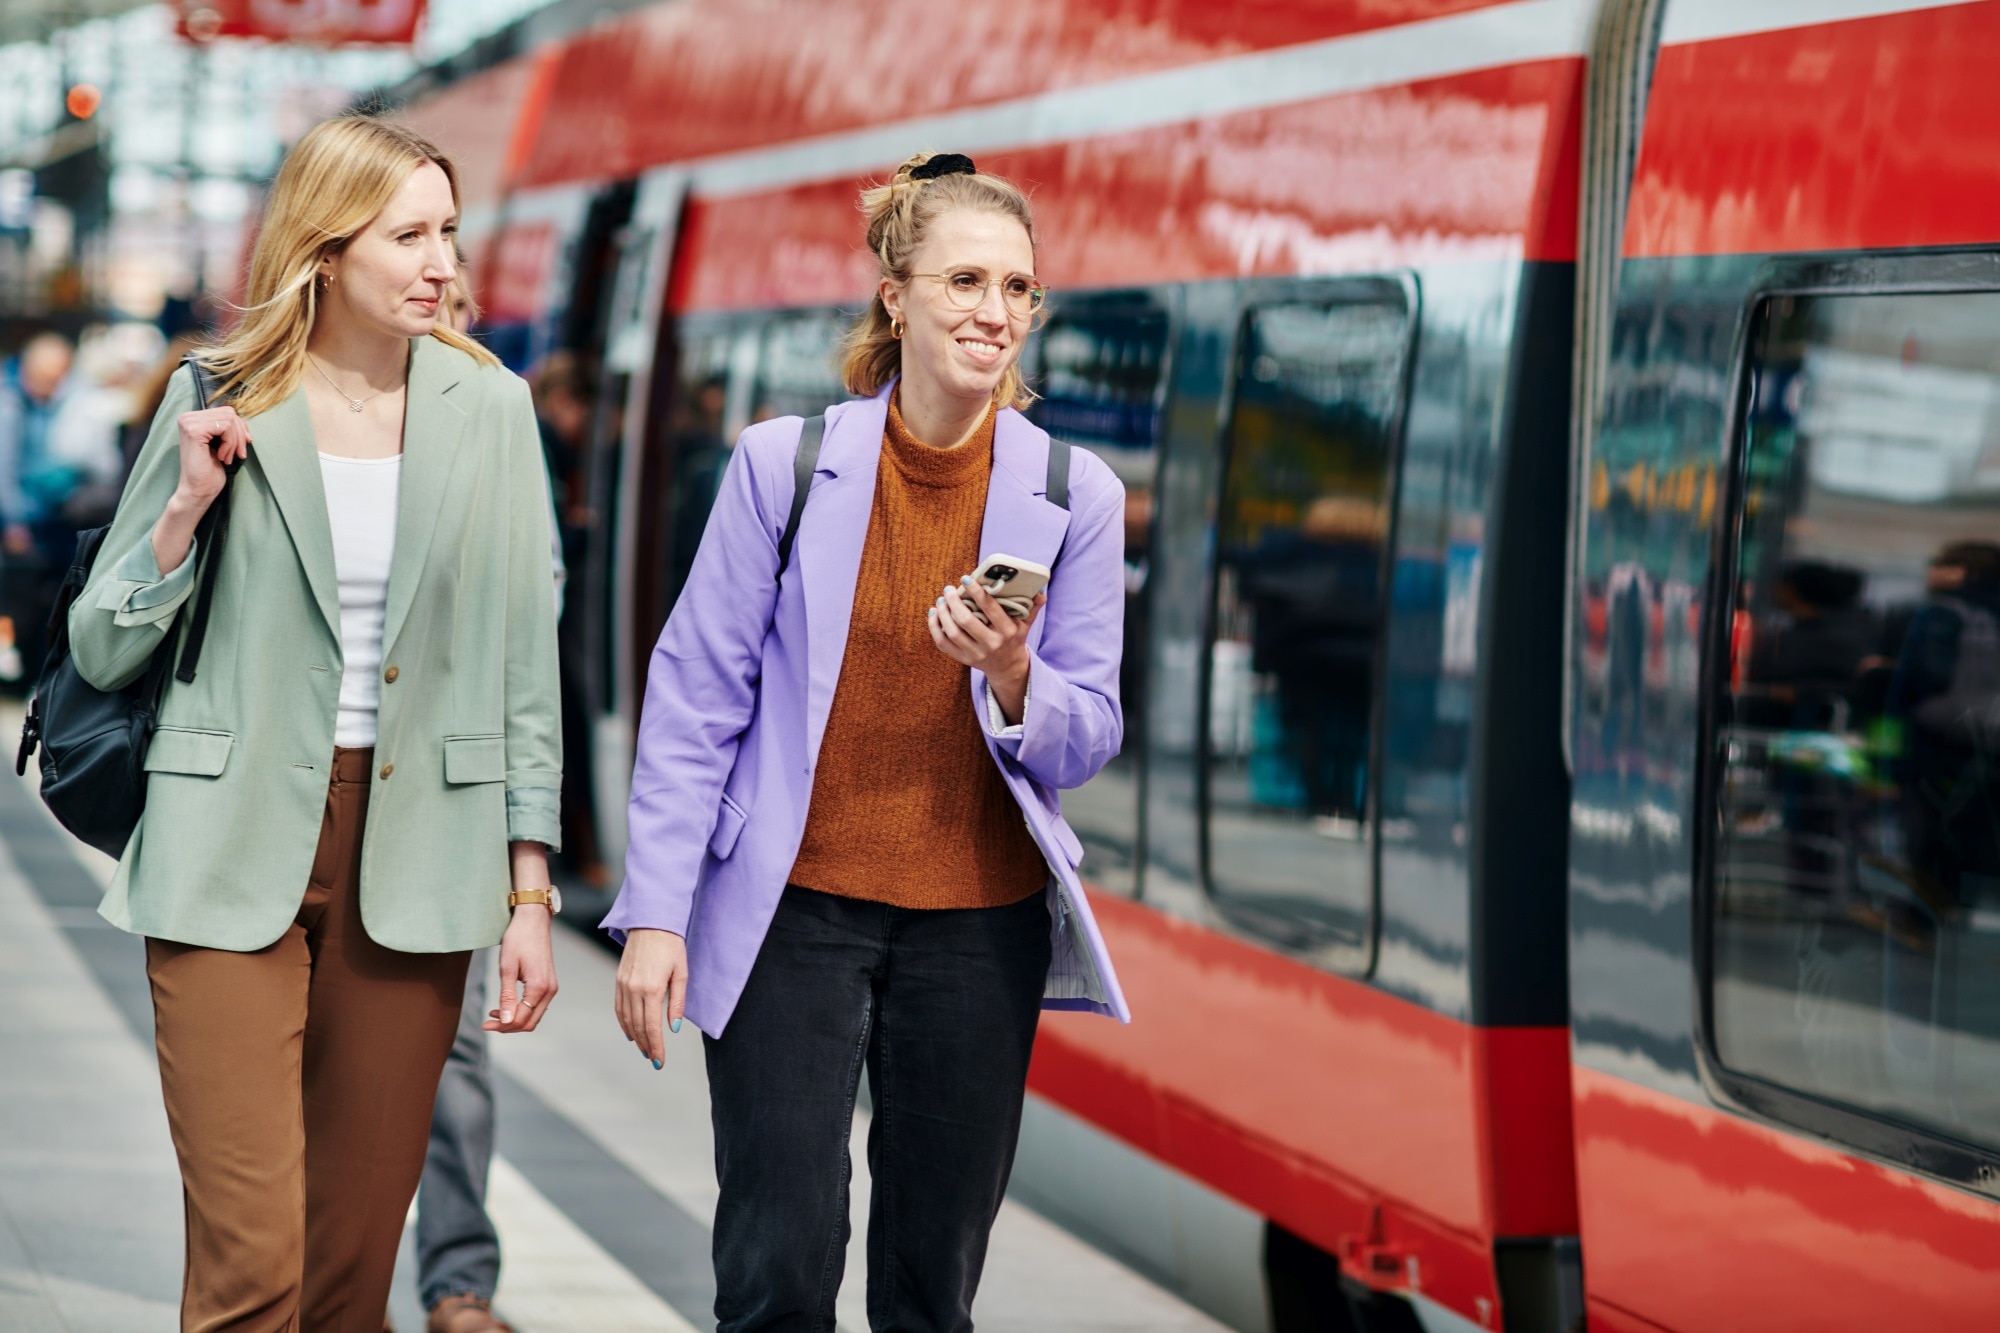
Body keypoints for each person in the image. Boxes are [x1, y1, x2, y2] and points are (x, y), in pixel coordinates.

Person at [605, 150, 1131, 1333]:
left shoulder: (1072, 492)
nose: (993, 313)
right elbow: (695, 697)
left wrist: (1008, 673)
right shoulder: (780, 466)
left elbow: (1088, 731)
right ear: (895, 295)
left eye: (1016, 289)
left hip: (976, 926)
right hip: (791, 908)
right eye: (962, 281)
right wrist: (654, 915)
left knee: (927, 1287)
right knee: (778, 1267)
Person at [68, 112, 563, 1332]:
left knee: (348, 1280)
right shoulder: (215, 394)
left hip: (416, 857)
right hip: (223, 841)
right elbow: (98, 641)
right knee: (252, 1272)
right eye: (410, 235)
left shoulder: (488, 408)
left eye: (449, 230)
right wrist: (184, 510)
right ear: (327, 248)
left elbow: (519, 662)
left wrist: (529, 891)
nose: (444, 261)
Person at [0, 331, 80, 679]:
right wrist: (15, 524)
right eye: (53, 375)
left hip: (36, 518)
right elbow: (4, 468)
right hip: (15, 523)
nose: (57, 382)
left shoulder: (39, 402)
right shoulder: (9, 406)